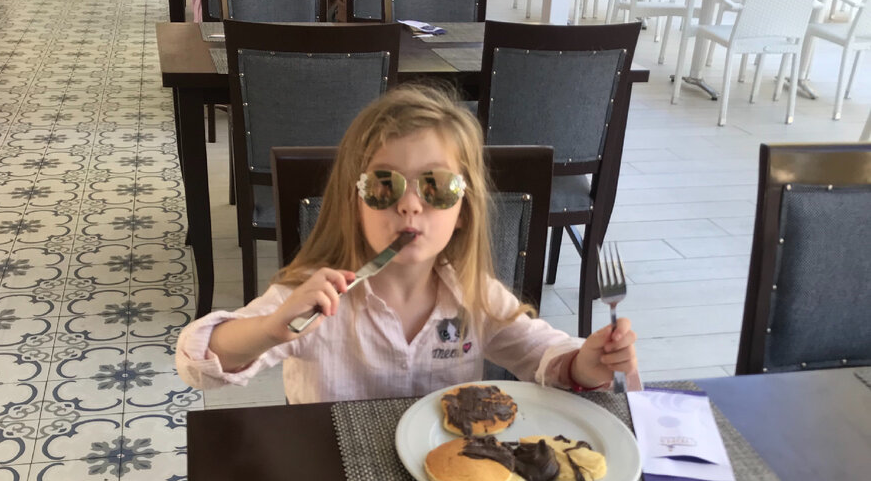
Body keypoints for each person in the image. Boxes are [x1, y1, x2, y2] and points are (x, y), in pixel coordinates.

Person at [175, 85, 638, 404]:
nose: (411, 205)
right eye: (384, 186)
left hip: (448, 476)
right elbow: (195, 361)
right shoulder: (316, 298)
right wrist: (270, 329)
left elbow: (544, 355)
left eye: (437, 187)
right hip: (335, 474)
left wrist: (586, 363)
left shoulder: (474, 294)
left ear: (463, 210)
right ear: (355, 202)